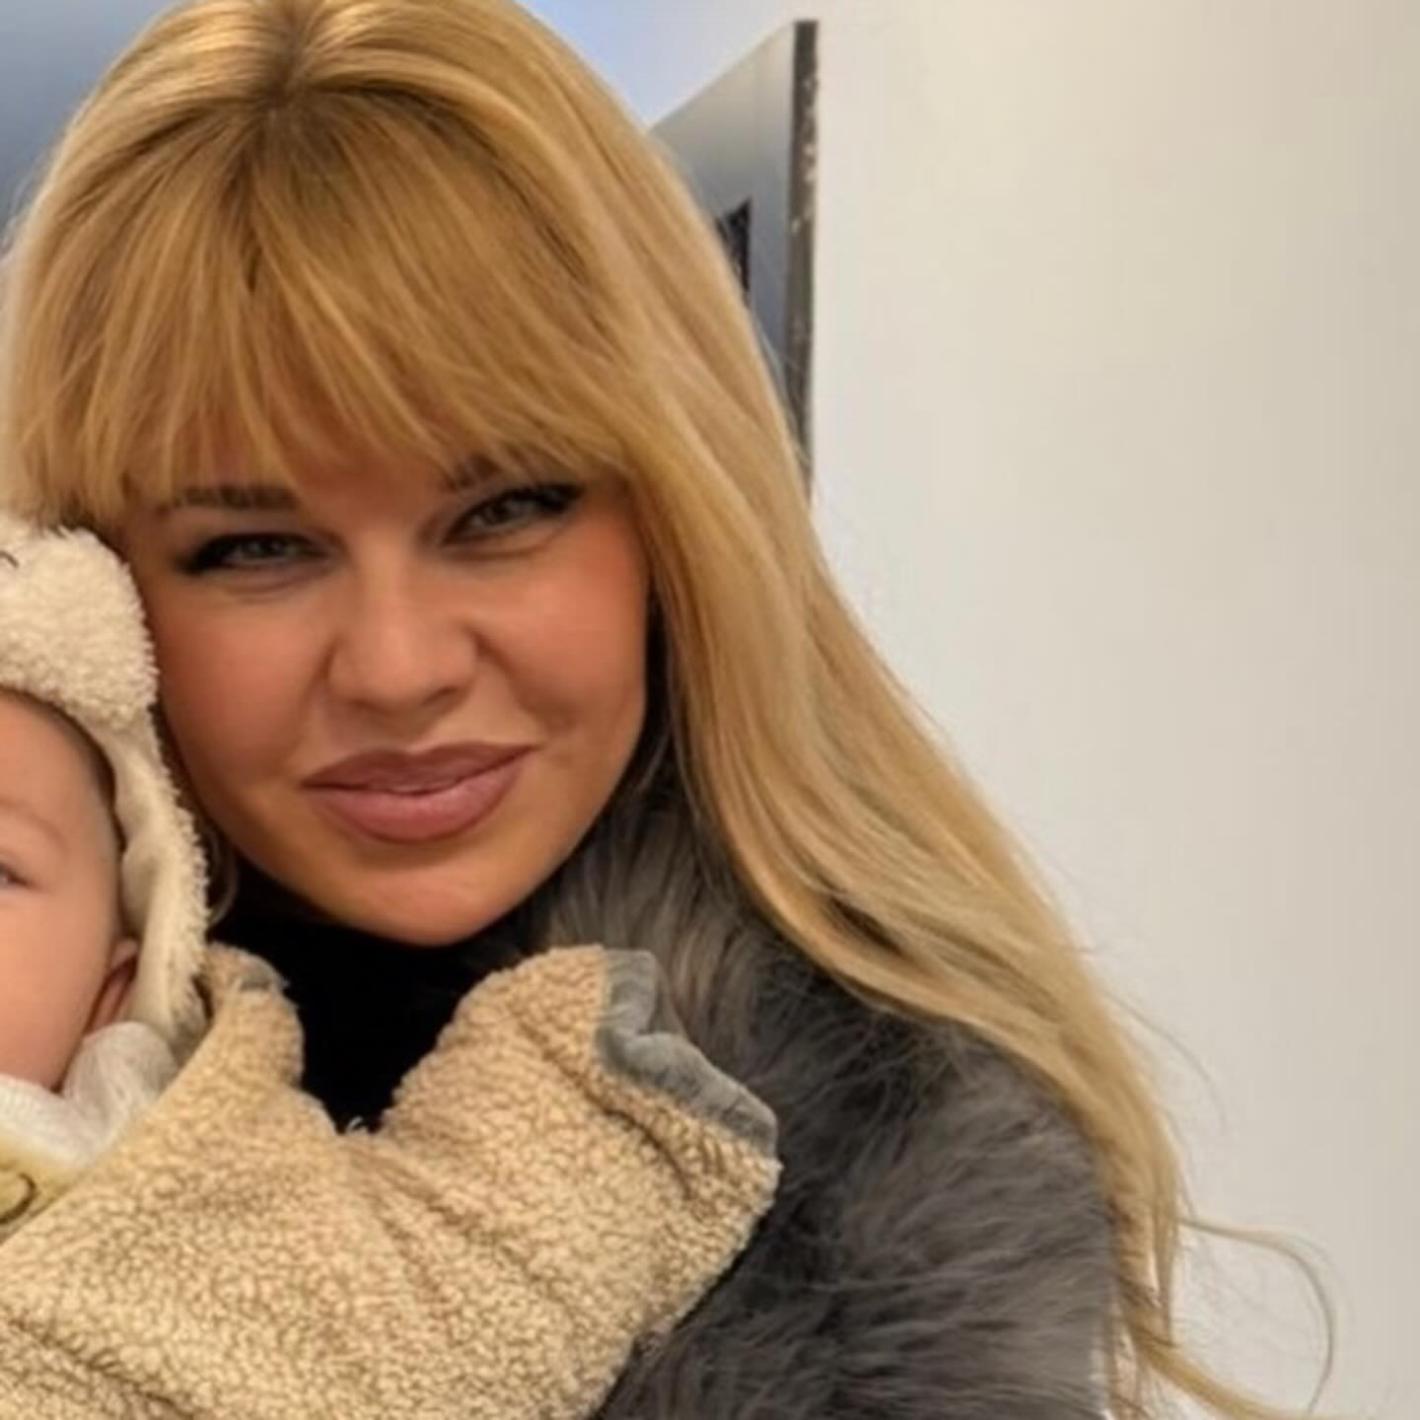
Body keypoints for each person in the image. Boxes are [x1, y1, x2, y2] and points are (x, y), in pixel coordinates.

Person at [0, 0, 1326, 1416]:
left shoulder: (887, 1208)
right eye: (254, 547)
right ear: (90, 574)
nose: (396, 666)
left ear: (682, 511)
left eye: (506, 508)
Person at [0, 511, 781, 1416]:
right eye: (259, 544)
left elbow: (435, 1320)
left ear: (115, 989)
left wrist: (579, 1108)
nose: (397, 671)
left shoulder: (197, 1200)